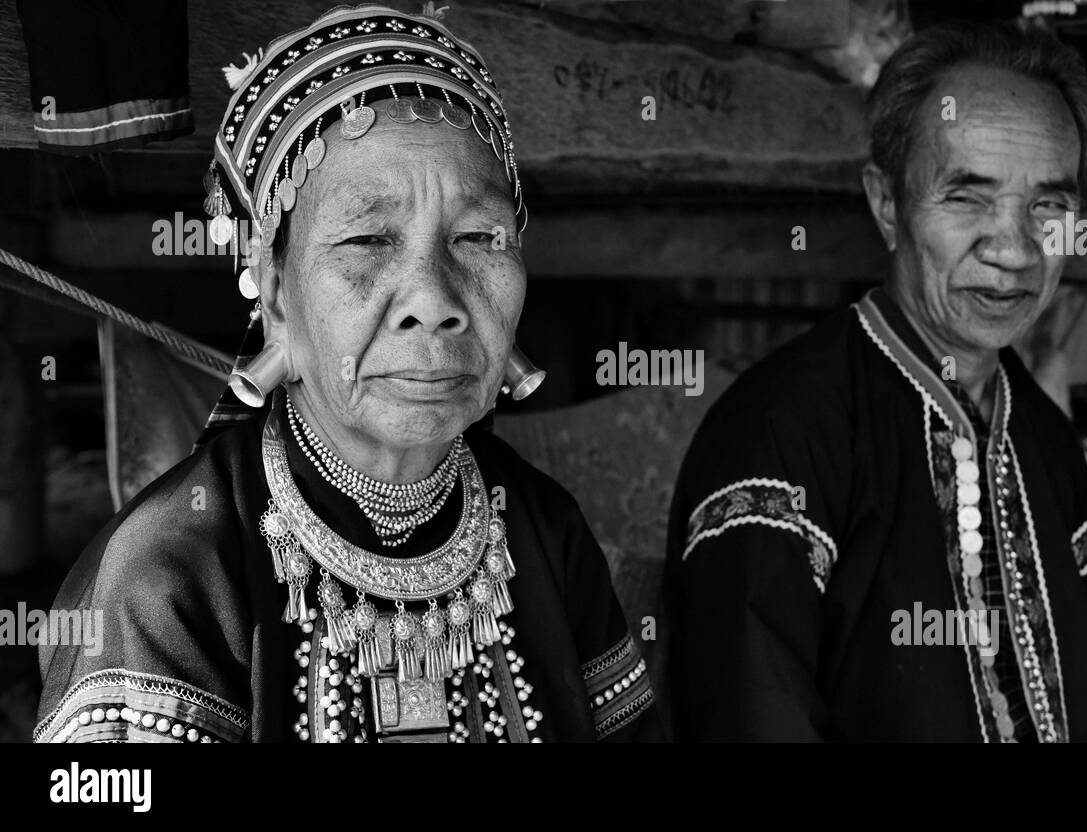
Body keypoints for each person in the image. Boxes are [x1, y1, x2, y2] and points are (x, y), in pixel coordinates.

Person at [35, 2, 657, 743]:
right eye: (367, 239)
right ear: (272, 290)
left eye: (478, 236)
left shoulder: (545, 529)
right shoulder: (167, 573)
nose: (433, 301)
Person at [664, 21, 1087, 742]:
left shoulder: (1047, 447)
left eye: (1048, 205)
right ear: (887, 204)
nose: (1015, 250)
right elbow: (751, 712)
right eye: (967, 197)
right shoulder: (781, 436)